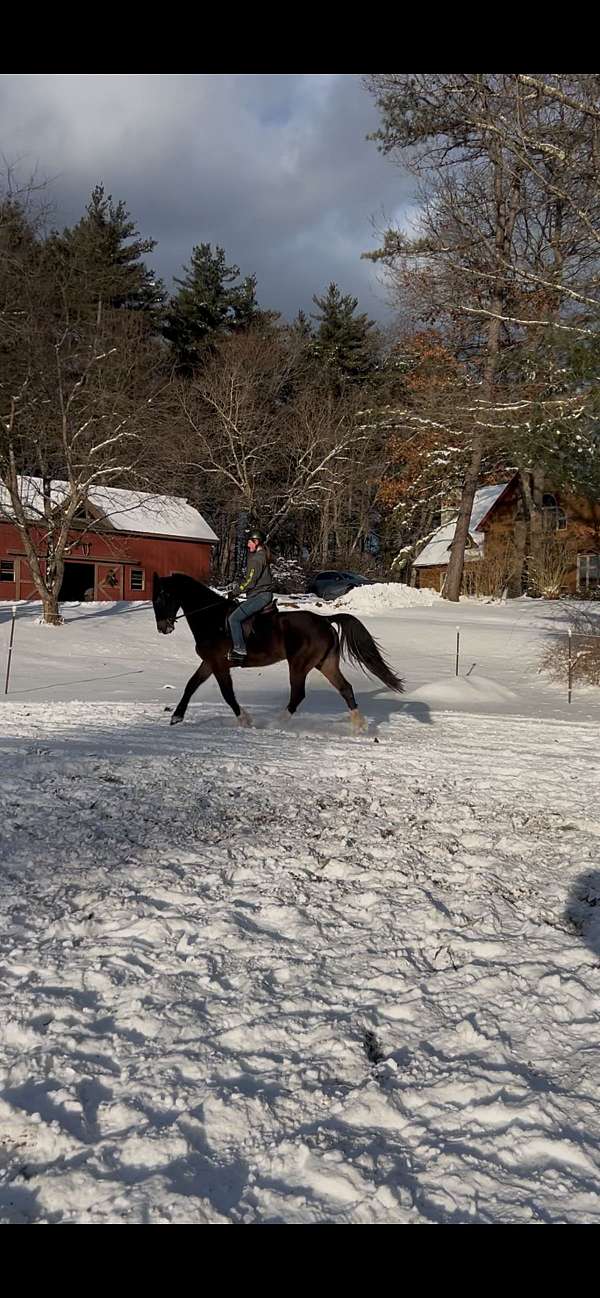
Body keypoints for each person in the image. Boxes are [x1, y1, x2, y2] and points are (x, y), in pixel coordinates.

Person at [227, 530, 274, 661]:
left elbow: (250, 581)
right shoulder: (262, 555)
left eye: (249, 542)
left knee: (233, 619)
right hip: (260, 594)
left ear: (256, 542)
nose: (248, 545)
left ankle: (239, 650)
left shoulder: (257, 558)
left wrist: (235, 592)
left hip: (260, 596)